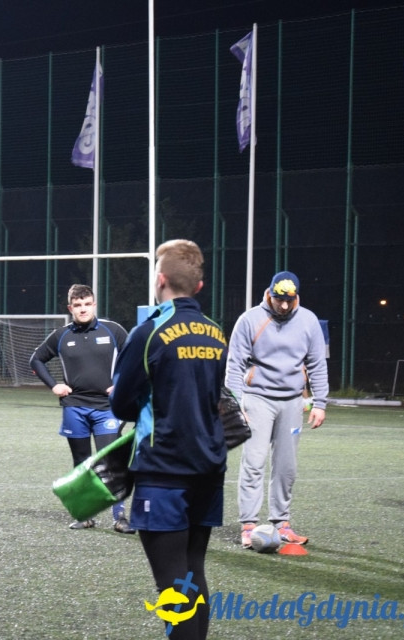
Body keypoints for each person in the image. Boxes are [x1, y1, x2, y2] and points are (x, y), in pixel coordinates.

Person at [109, 239, 227, 640]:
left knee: (174, 586)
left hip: (163, 473)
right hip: (209, 468)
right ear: (198, 286)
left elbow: (121, 407)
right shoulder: (216, 333)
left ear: (160, 280)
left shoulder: (149, 333)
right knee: (193, 573)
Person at [226, 271, 327, 548]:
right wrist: (236, 405)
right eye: (279, 299)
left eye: (289, 300)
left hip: (293, 402)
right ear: (269, 294)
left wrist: (319, 402)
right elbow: (234, 366)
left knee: (286, 466)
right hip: (257, 399)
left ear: (297, 297)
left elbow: (317, 363)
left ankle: (281, 522)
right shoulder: (249, 320)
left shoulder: (308, 321)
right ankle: (248, 525)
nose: (283, 305)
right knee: (254, 462)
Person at [30, 284, 133, 532]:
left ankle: (119, 517)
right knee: (81, 462)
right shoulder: (62, 335)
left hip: (107, 408)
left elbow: (136, 359)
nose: (83, 309)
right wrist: (54, 386)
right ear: (70, 308)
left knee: (110, 462)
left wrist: (120, 385)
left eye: (87, 304)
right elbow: (36, 359)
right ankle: (85, 515)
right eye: (78, 305)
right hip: (74, 408)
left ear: (94, 304)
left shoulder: (113, 330)